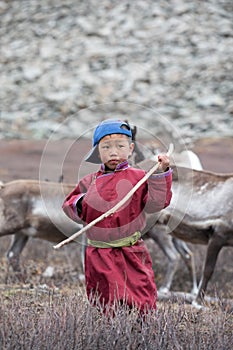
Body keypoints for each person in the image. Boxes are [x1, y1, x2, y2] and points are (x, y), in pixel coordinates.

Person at [62, 119, 172, 314]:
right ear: (97, 152)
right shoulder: (89, 182)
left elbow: (156, 204)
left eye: (120, 146)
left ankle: (144, 334)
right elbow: (70, 206)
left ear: (130, 149)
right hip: (99, 255)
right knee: (104, 300)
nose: (113, 152)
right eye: (106, 147)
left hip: (132, 252)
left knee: (142, 297)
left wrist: (161, 173)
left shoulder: (140, 178)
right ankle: (109, 335)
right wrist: (83, 202)